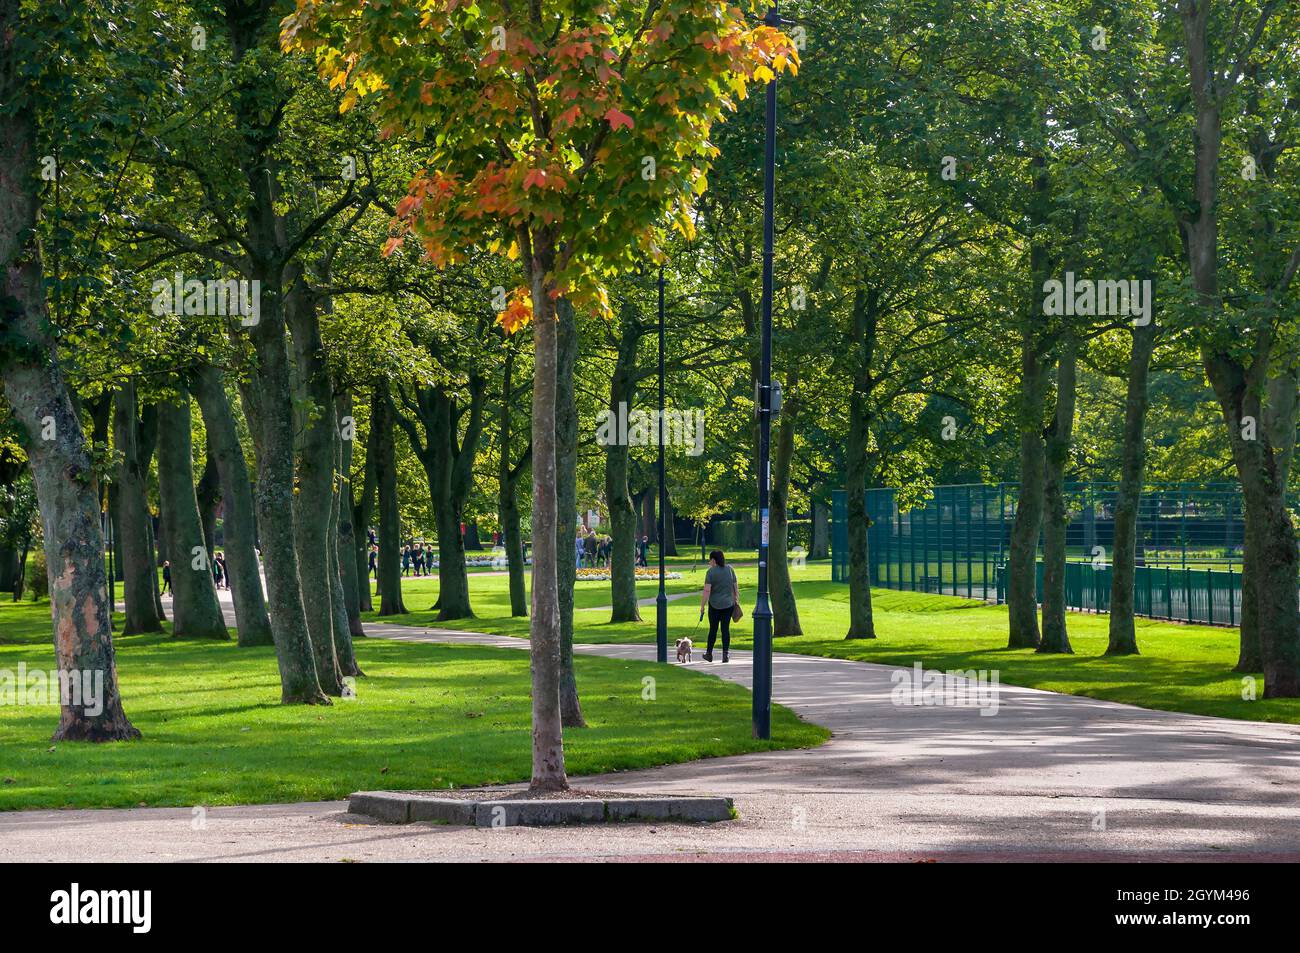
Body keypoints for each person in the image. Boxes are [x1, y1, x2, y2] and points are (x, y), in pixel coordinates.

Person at [698, 549, 740, 663]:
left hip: (714, 605)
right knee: (725, 629)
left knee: (713, 630)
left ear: (713, 560)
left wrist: (702, 606)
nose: (709, 562)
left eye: (710, 560)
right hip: (728, 604)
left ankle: (709, 653)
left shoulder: (710, 572)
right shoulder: (730, 569)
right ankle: (725, 655)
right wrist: (736, 600)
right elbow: (735, 587)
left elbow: (707, 591)